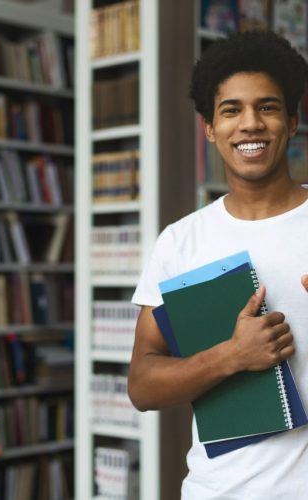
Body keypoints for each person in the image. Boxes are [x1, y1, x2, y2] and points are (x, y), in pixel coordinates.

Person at [128, 30, 308, 499]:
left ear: (292, 120)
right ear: (209, 127)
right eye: (231, 110)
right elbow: (143, 386)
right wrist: (232, 356)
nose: (250, 123)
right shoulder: (180, 242)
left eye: (267, 107)